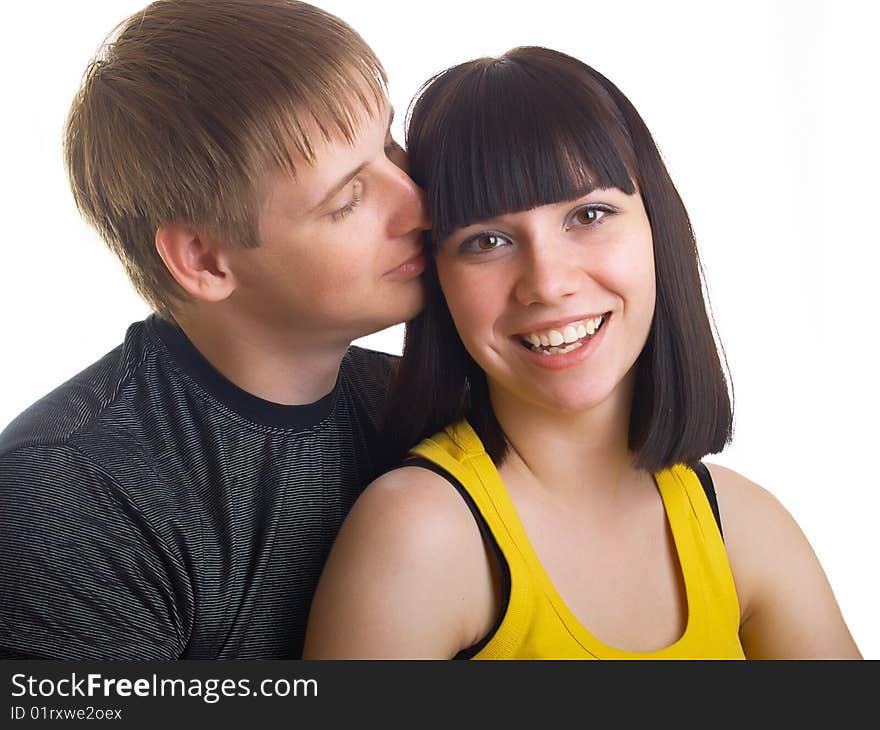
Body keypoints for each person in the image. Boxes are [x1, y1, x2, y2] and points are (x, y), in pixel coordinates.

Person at [304, 47, 863, 659]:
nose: (547, 283)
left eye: (589, 214)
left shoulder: (744, 526)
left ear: (657, 228)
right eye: (486, 240)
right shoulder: (419, 534)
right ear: (437, 277)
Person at [0, 0, 428, 659]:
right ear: (203, 259)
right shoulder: (71, 494)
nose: (416, 201)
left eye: (390, 146)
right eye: (347, 198)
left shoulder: (414, 400)